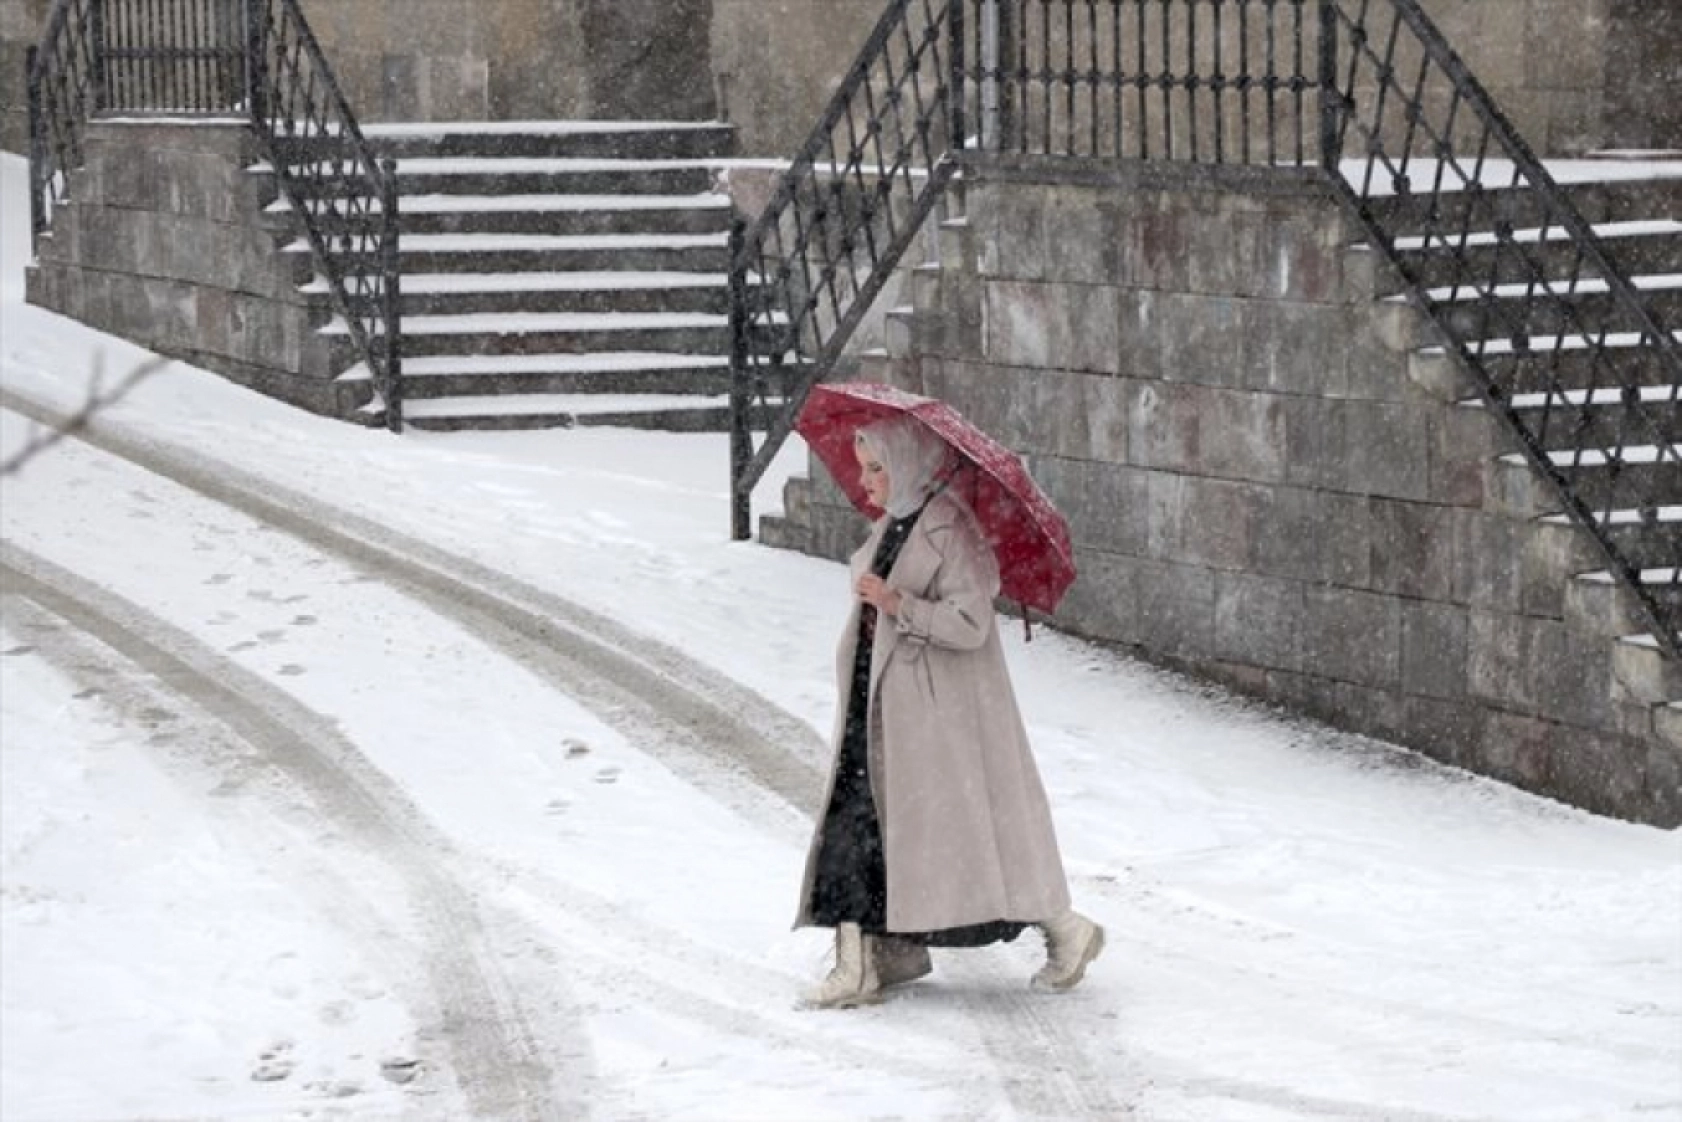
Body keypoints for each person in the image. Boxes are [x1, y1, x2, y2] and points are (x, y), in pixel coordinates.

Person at [794, 414, 1104, 1009]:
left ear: (907, 464)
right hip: (884, 702)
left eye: (878, 468)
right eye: (864, 468)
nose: (867, 482)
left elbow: (970, 622)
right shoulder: (896, 520)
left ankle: (1065, 930)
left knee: (971, 838)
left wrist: (897, 603)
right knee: (866, 824)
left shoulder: (946, 527)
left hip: (934, 715)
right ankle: (878, 952)